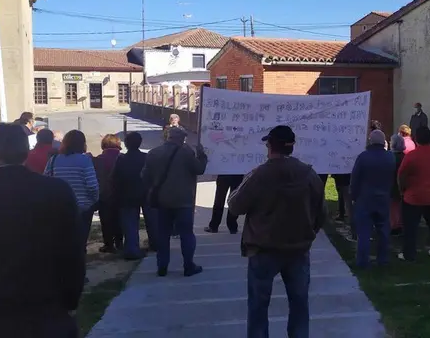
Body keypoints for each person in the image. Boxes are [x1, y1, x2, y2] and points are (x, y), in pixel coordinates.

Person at [0, 122, 84, 337]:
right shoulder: (58, 192)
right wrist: (70, 299)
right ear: (26, 152)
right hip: (45, 309)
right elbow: (73, 252)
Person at [227, 125, 326, 338]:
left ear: (270, 146)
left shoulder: (259, 174)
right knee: (299, 303)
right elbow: (321, 213)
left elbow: (235, 206)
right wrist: (308, 233)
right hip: (298, 249)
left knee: (258, 306)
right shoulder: (309, 174)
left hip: (263, 249)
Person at [141, 127, 208, 277]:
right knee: (186, 234)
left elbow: (144, 176)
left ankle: (162, 267)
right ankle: (188, 266)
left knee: (163, 235)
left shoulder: (153, 153)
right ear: (181, 139)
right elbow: (199, 169)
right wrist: (202, 155)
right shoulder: (186, 153)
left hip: (161, 200)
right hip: (184, 201)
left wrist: (154, 187)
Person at [398, 126, 430, 261]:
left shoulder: (411, 156)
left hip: (414, 197)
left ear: (416, 139)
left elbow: (401, 175)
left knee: (410, 228)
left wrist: (403, 190)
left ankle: (409, 254)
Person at [45, 130, 100, 252]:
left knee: (62, 240)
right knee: (80, 241)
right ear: (82, 144)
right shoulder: (85, 160)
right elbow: (92, 185)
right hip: (82, 207)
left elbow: (45, 182)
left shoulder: (53, 160)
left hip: (59, 206)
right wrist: (93, 201)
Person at [350, 130, 395, 268]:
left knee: (364, 232)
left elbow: (355, 178)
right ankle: (383, 259)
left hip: (365, 198)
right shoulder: (390, 157)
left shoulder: (363, 157)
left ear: (370, 141)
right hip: (383, 198)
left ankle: (363, 261)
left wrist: (353, 195)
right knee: (383, 231)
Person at [112, 132, 156, 259]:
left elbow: (115, 178)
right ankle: (156, 244)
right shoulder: (146, 158)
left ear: (126, 144)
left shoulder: (121, 159)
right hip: (146, 192)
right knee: (152, 220)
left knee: (130, 223)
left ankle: (132, 249)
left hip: (127, 194)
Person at [94, 134, 124, 253]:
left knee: (106, 221)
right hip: (120, 194)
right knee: (119, 220)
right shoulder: (122, 158)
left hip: (104, 194)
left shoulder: (99, 159)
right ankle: (119, 242)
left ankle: (108, 244)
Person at [389, 134, 407, 235]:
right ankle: (400, 224)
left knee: (393, 207)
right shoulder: (405, 157)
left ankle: (395, 226)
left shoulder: (390, 157)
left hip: (393, 184)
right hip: (404, 185)